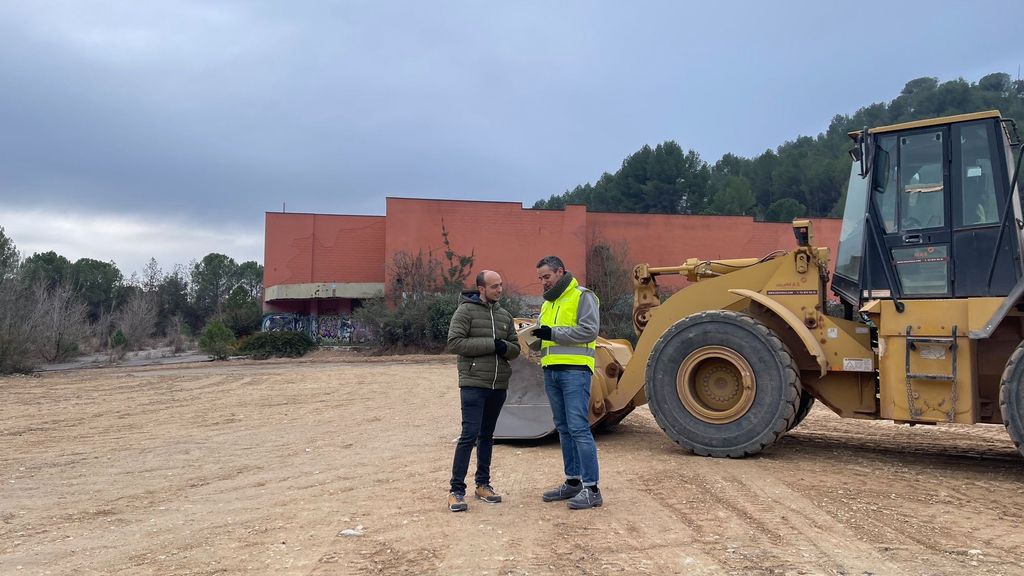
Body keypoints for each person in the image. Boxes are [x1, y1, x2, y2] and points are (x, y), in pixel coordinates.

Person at [445, 270, 521, 512]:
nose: (499, 290)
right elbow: (454, 343)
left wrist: (505, 347)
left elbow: (515, 349)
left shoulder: (504, 315)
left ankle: (483, 484)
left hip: (498, 385)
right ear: (481, 289)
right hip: (474, 384)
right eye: (494, 286)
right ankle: (456, 491)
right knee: (469, 435)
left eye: (500, 285)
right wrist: (492, 345)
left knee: (487, 436)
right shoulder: (465, 311)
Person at [532, 256, 603, 509]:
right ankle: (573, 482)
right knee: (563, 427)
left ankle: (592, 488)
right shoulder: (548, 304)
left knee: (578, 428)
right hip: (551, 371)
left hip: (575, 371)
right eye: (540, 278)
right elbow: (545, 333)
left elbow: (589, 330)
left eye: (546, 277)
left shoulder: (583, 296)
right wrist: (534, 336)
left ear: (560, 271)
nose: (543, 282)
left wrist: (552, 333)